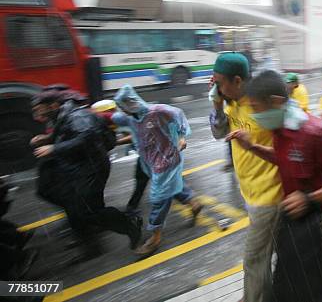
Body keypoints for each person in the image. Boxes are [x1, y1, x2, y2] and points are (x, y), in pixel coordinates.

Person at [227, 70, 322, 302]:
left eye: (257, 108)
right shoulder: (280, 130)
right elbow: (284, 158)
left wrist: (311, 199)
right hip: (298, 229)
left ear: (276, 102)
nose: (255, 115)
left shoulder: (316, 132)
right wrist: (253, 147)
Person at [30, 89, 142, 259]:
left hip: (92, 168)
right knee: (75, 208)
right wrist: (48, 139)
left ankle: (129, 224)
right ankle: (90, 246)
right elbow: (68, 134)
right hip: (78, 168)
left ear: (52, 105)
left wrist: (54, 148)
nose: (36, 114)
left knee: (88, 210)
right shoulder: (61, 115)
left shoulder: (78, 116)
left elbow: (87, 137)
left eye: (39, 109)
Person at [209, 52, 282, 302]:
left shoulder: (263, 103)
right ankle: (266, 294)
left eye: (219, 82)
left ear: (237, 81)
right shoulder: (231, 102)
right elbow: (219, 133)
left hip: (270, 194)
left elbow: (293, 146)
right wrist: (217, 106)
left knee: (254, 257)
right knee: (265, 255)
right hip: (250, 193)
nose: (215, 86)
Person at [113, 85, 202, 256]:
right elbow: (115, 119)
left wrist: (182, 137)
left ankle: (155, 237)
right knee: (172, 187)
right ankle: (193, 203)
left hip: (167, 160)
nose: (123, 110)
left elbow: (178, 115)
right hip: (152, 163)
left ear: (132, 102)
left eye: (124, 106)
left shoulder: (157, 111)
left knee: (159, 197)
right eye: (121, 108)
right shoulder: (132, 118)